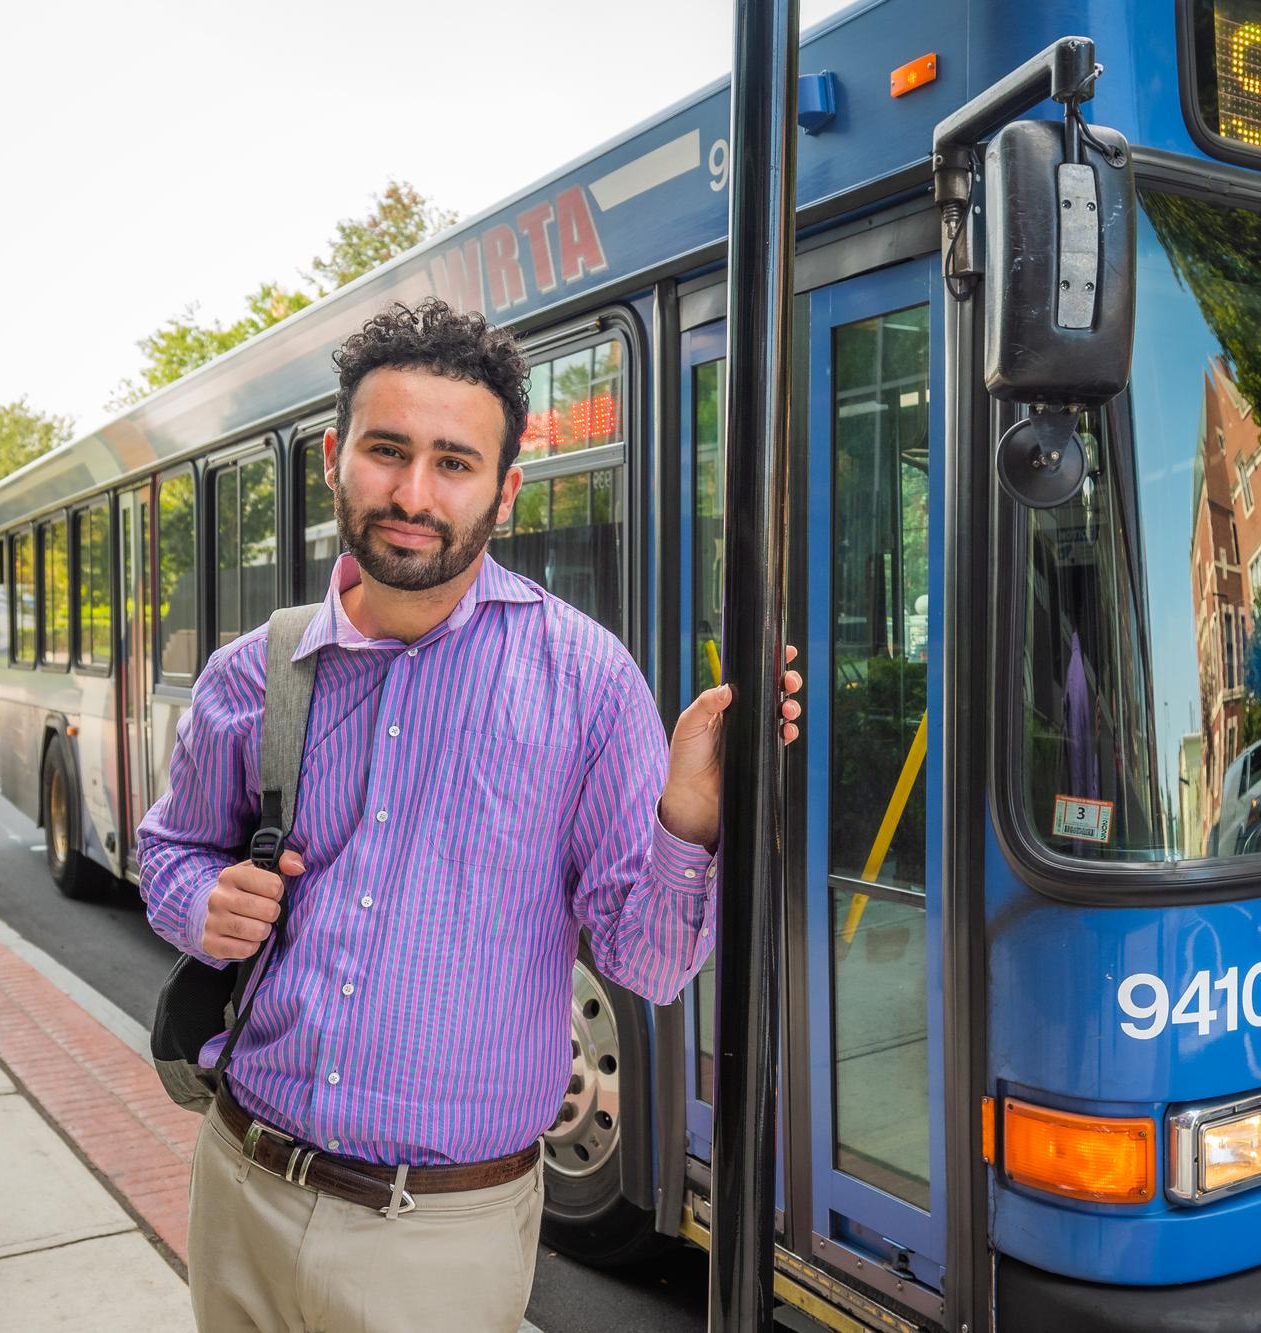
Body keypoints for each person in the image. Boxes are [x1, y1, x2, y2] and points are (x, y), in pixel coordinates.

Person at [136, 299, 803, 1333]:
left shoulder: (584, 680)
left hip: (438, 1240)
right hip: (242, 1184)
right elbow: (170, 847)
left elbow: (651, 964)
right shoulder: (251, 675)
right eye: (386, 450)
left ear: (505, 489)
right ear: (333, 455)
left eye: (453, 461)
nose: (412, 492)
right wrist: (197, 901)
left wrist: (686, 813)